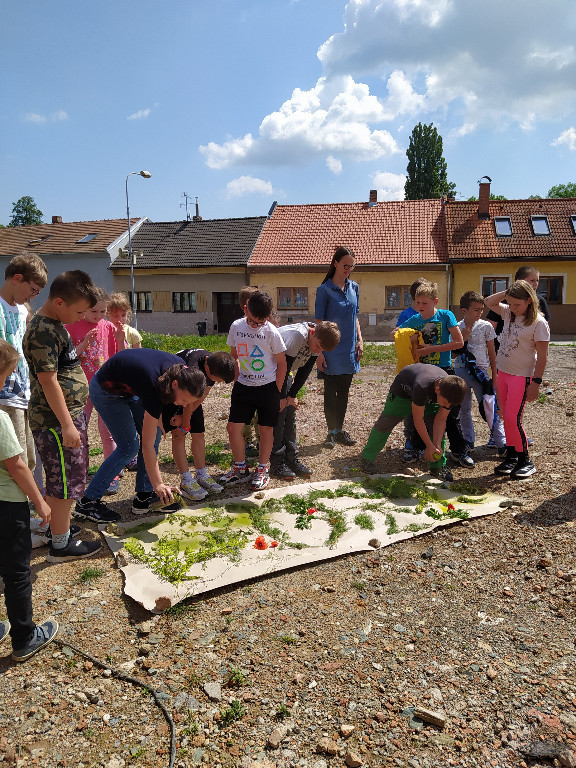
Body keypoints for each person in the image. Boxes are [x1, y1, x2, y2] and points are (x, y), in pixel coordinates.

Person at [22, 270, 104, 563]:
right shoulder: (43, 330)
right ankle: (60, 544)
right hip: (55, 422)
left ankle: (57, 527)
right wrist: (68, 425)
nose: (81, 317)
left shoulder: (56, 325)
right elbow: (48, 381)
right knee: (64, 483)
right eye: (79, 312)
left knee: (69, 478)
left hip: (67, 417)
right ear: (59, 302)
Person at [74, 349, 206, 518]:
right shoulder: (155, 386)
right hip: (106, 390)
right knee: (129, 447)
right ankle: (87, 502)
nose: (184, 404)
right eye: (185, 400)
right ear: (174, 385)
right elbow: (147, 445)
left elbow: (156, 410)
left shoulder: (182, 373)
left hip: (132, 386)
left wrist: (159, 418)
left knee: (154, 434)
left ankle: (144, 496)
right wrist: (159, 484)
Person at [0, 339, 59, 661]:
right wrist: (39, 500)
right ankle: (24, 638)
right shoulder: (0, 419)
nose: (5, 383)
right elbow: (17, 465)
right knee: (17, 573)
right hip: (8, 506)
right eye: (5, 376)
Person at [396, 280, 472, 473]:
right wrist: (406, 336)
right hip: (422, 373)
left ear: (435, 301)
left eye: (425, 303)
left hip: (444, 371)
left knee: (450, 414)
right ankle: (418, 447)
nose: (420, 306)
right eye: (417, 302)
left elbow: (458, 342)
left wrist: (432, 349)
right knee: (419, 411)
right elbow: (396, 333)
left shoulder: (446, 316)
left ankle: (459, 451)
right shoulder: (414, 319)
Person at [219, 290, 287, 491]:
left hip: (268, 387)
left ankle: (262, 468)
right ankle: (240, 468)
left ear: (268, 317)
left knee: (265, 430)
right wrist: (236, 380)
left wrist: (276, 391)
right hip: (243, 386)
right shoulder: (236, 326)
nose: (255, 326)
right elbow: (234, 356)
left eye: (260, 322)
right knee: (233, 428)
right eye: (251, 321)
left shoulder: (272, 332)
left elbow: (282, 363)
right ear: (245, 309)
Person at [484, 280, 550, 479]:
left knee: (514, 418)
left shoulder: (539, 323)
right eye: (510, 303)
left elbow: (543, 356)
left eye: (517, 304)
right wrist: (510, 292)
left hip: (521, 377)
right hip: (503, 373)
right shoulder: (508, 313)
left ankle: (525, 460)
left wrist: (536, 383)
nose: (513, 308)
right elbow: (488, 301)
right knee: (507, 417)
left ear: (529, 300)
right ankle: (512, 457)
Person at [361, 363, 467, 478]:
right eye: (446, 403)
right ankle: (367, 458)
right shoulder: (422, 386)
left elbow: (440, 420)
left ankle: (438, 467)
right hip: (403, 394)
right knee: (385, 424)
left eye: (450, 405)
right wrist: (429, 445)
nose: (447, 406)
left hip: (430, 396)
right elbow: (418, 419)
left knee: (435, 430)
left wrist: (436, 445)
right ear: (437, 390)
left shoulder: (451, 393)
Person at [66, 288, 122, 494]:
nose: (98, 316)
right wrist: (84, 344)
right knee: (79, 432)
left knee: (108, 433)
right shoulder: (71, 326)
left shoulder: (108, 327)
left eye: (103, 312)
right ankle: (78, 473)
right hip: (81, 388)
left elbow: (117, 357)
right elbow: (66, 358)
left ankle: (112, 475)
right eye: (93, 311)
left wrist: (120, 339)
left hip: (105, 388)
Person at [161, 349, 236, 501]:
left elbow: (202, 394)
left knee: (199, 433)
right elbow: (187, 399)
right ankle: (186, 479)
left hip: (191, 397)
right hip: (175, 395)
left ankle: (201, 474)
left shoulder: (215, 363)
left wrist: (187, 418)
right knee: (179, 435)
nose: (218, 382)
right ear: (207, 369)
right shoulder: (193, 366)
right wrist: (184, 423)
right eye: (217, 380)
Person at [271, 321, 341, 480]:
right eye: (317, 347)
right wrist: (282, 398)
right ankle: (277, 462)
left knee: (290, 415)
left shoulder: (317, 340)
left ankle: (292, 459)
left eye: (322, 350)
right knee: (279, 415)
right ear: (312, 332)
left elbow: (305, 370)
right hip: (271, 373)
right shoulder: (297, 336)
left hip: (285, 374)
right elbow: (284, 368)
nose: (317, 351)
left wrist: (291, 396)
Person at [0, 253, 48, 478]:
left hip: (23, 393)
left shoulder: (21, 312)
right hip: (5, 395)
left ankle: (26, 499)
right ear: (17, 278)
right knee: (13, 460)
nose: (33, 296)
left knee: (29, 458)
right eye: (33, 289)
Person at [315, 246, 363, 448]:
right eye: (345, 265)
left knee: (344, 391)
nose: (348, 270)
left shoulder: (354, 287)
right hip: (330, 350)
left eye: (351, 266)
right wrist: (319, 353)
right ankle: (330, 432)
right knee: (330, 391)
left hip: (349, 349)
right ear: (335, 263)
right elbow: (319, 323)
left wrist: (360, 340)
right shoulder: (324, 290)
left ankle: (340, 430)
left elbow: (355, 316)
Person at [454, 291, 506, 453]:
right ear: (464, 310)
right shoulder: (456, 327)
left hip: (480, 372)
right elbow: (453, 353)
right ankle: (468, 440)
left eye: (482, 309)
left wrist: (495, 375)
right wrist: (463, 336)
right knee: (463, 408)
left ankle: (501, 442)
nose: (480, 313)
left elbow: (492, 351)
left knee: (489, 405)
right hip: (460, 371)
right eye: (476, 309)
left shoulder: (486, 326)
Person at [238, 285, 260, 457]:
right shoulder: (239, 326)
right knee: (246, 414)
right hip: (245, 377)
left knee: (259, 413)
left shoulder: (262, 323)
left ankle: (260, 440)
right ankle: (247, 441)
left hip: (260, 376)